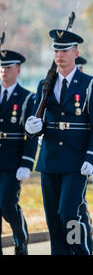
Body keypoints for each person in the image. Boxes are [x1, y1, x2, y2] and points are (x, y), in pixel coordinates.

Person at [25, 28, 93, 255]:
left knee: (69, 214)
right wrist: (33, 128)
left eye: (65, 50)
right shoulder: (46, 83)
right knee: (53, 220)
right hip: (50, 160)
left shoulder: (90, 85)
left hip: (76, 161)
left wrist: (92, 156)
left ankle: (80, 251)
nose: (60, 54)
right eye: (56, 50)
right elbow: (40, 119)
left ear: (76, 52)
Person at [0, 49, 38, 255]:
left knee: (6, 203)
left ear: (18, 69)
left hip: (12, 161)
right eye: (2, 67)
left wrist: (26, 163)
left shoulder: (26, 98)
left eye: (9, 67)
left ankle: (20, 238)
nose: (4, 70)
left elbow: (31, 134)